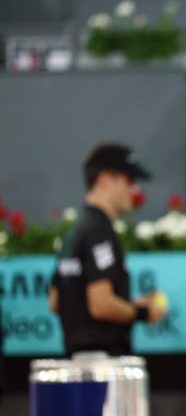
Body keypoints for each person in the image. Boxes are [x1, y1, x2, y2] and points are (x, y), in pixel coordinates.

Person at [49, 143, 166, 356]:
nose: (135, 190)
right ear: (104, 180)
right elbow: (100, 305)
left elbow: (56, 302)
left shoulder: (74, 231)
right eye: (129, 180)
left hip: (77, 358)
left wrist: (124, 305)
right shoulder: (98, 231)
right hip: (104, 366)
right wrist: (143, 312)